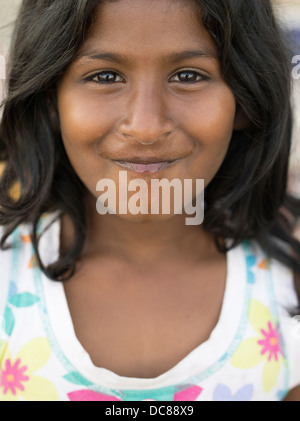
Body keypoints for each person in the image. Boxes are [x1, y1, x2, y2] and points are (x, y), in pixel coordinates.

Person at [0, 0, 299, 402]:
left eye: (188, 75)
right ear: (51, 99)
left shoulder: (287, 288)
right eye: (105, 76)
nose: (145, 127)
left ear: (244, 100)